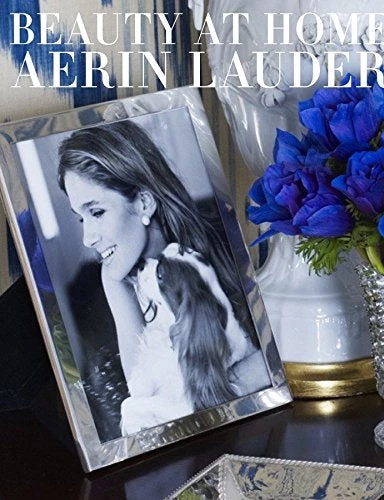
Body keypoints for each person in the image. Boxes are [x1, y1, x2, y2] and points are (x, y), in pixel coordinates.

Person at [57, 119, 269, 420]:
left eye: (97, 212)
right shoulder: (117, 278)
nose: (87, 238)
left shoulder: (223, 242)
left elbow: (272, 361)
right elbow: (141, 389)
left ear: (144, 203)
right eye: (82, 218)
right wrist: (113, 283)